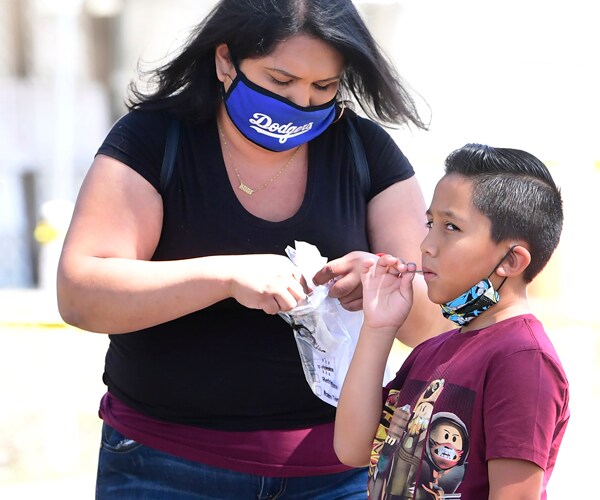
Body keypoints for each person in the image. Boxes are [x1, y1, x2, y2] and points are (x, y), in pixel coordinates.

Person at [57, 0, 448, 498]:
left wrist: (385, 285)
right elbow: (80, 293)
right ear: (225, 61)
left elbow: (435, 319)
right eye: (281, 82)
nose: (302, 103)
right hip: (168, 466)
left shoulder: (363, 149)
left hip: (337, 472)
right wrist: (224, 278)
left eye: (323, 87)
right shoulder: (155, 140)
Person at [334, 143, 569, 499]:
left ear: (511, 261)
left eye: (451, 227)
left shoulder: (523, 359)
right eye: (430, 224)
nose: (426, 244)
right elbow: (352, 448)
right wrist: (379, 327)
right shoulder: (433, 350)